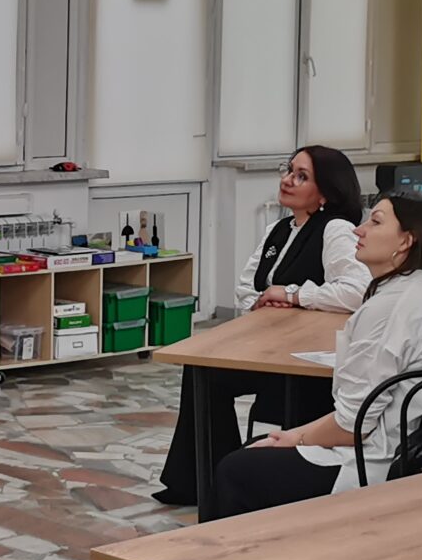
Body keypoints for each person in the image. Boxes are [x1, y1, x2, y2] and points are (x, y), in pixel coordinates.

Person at [192, 191, 422, 560]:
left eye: (376, 222)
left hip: (387, 465)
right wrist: (297, 438)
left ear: (406, 241)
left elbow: (353, 427)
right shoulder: (418, 296)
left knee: (238, 470)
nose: (359, 230)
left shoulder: (389, 308)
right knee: (266, 453)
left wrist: (293, 437)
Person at [156, 145, 369, 509]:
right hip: (268, 346)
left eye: (301, 176)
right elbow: (245, 288)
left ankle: (235, 479)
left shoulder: (335, 230)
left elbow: (357, 290)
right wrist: (262, 301)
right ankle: (201, 480)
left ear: (325, 193)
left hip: (307, 358)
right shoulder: (277, 230)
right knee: (202, 369)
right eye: (289, 170)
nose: (288, 180)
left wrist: (293, 294)